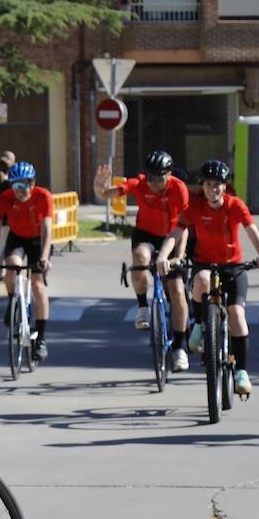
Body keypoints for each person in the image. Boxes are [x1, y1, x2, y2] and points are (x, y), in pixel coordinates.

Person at [156, 159, 259, 397]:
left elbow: (252, 231)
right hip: (205, 263)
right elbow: (175, 233)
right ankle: (198, 324)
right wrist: (163, 256)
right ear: (203, 186)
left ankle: (241, 371)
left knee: (237, 314)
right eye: (209, 184)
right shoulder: (196, 207)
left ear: (225, 186)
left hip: (233, 267)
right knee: (202, 280)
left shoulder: (234, 205)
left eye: (218, 184)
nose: (213, 189)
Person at [93, 151, 191, 370]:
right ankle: (142, 306)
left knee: (176, 290)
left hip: (173, 236)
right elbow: (106, 193)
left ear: (169, 174)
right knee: (140, 258)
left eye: (160, 178)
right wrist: (99, 186)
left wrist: (180, 256)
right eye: (151, 178)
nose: (155, 183)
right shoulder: (139, 184)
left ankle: (180, 347)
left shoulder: (179, 189)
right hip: (146, 234)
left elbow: (184, 226)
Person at [0, 161, 53, 363]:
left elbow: (47, 230)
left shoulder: (43, 196)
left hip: (38, 241)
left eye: (24, 185)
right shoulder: (5, 198)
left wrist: (44, 257)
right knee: (11, 266)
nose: (20, 191)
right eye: (16, 186)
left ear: (33, 183)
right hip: (18, 238)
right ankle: (13, 301)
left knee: (38, 285)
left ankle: (40, 339)